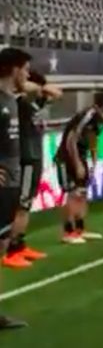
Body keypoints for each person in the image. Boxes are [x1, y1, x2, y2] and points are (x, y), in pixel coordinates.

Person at [5, 70, 60, 268]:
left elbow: (56, 94)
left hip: (35, 156)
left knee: (26, 204)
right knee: (22, 204)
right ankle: (11, 249)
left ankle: (20, 244)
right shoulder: (20, 103)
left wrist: (42, 92)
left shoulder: (33, 104)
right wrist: (39, 88)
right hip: (26, 158)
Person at [0, 48, 31, 330]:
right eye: (25, 69)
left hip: (10, 185)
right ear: (13, 69)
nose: (27, 74)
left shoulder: (11, 100)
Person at [55, 93, 103, 245]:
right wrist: (77, 162)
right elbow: (71, 138)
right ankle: (68, 231)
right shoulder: (88, 115)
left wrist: (93, 159)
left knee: (82, 193)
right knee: (72, 193)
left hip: (82, 155)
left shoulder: (100, 119)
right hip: (67, 158)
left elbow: (93, 138)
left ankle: (80, 229)